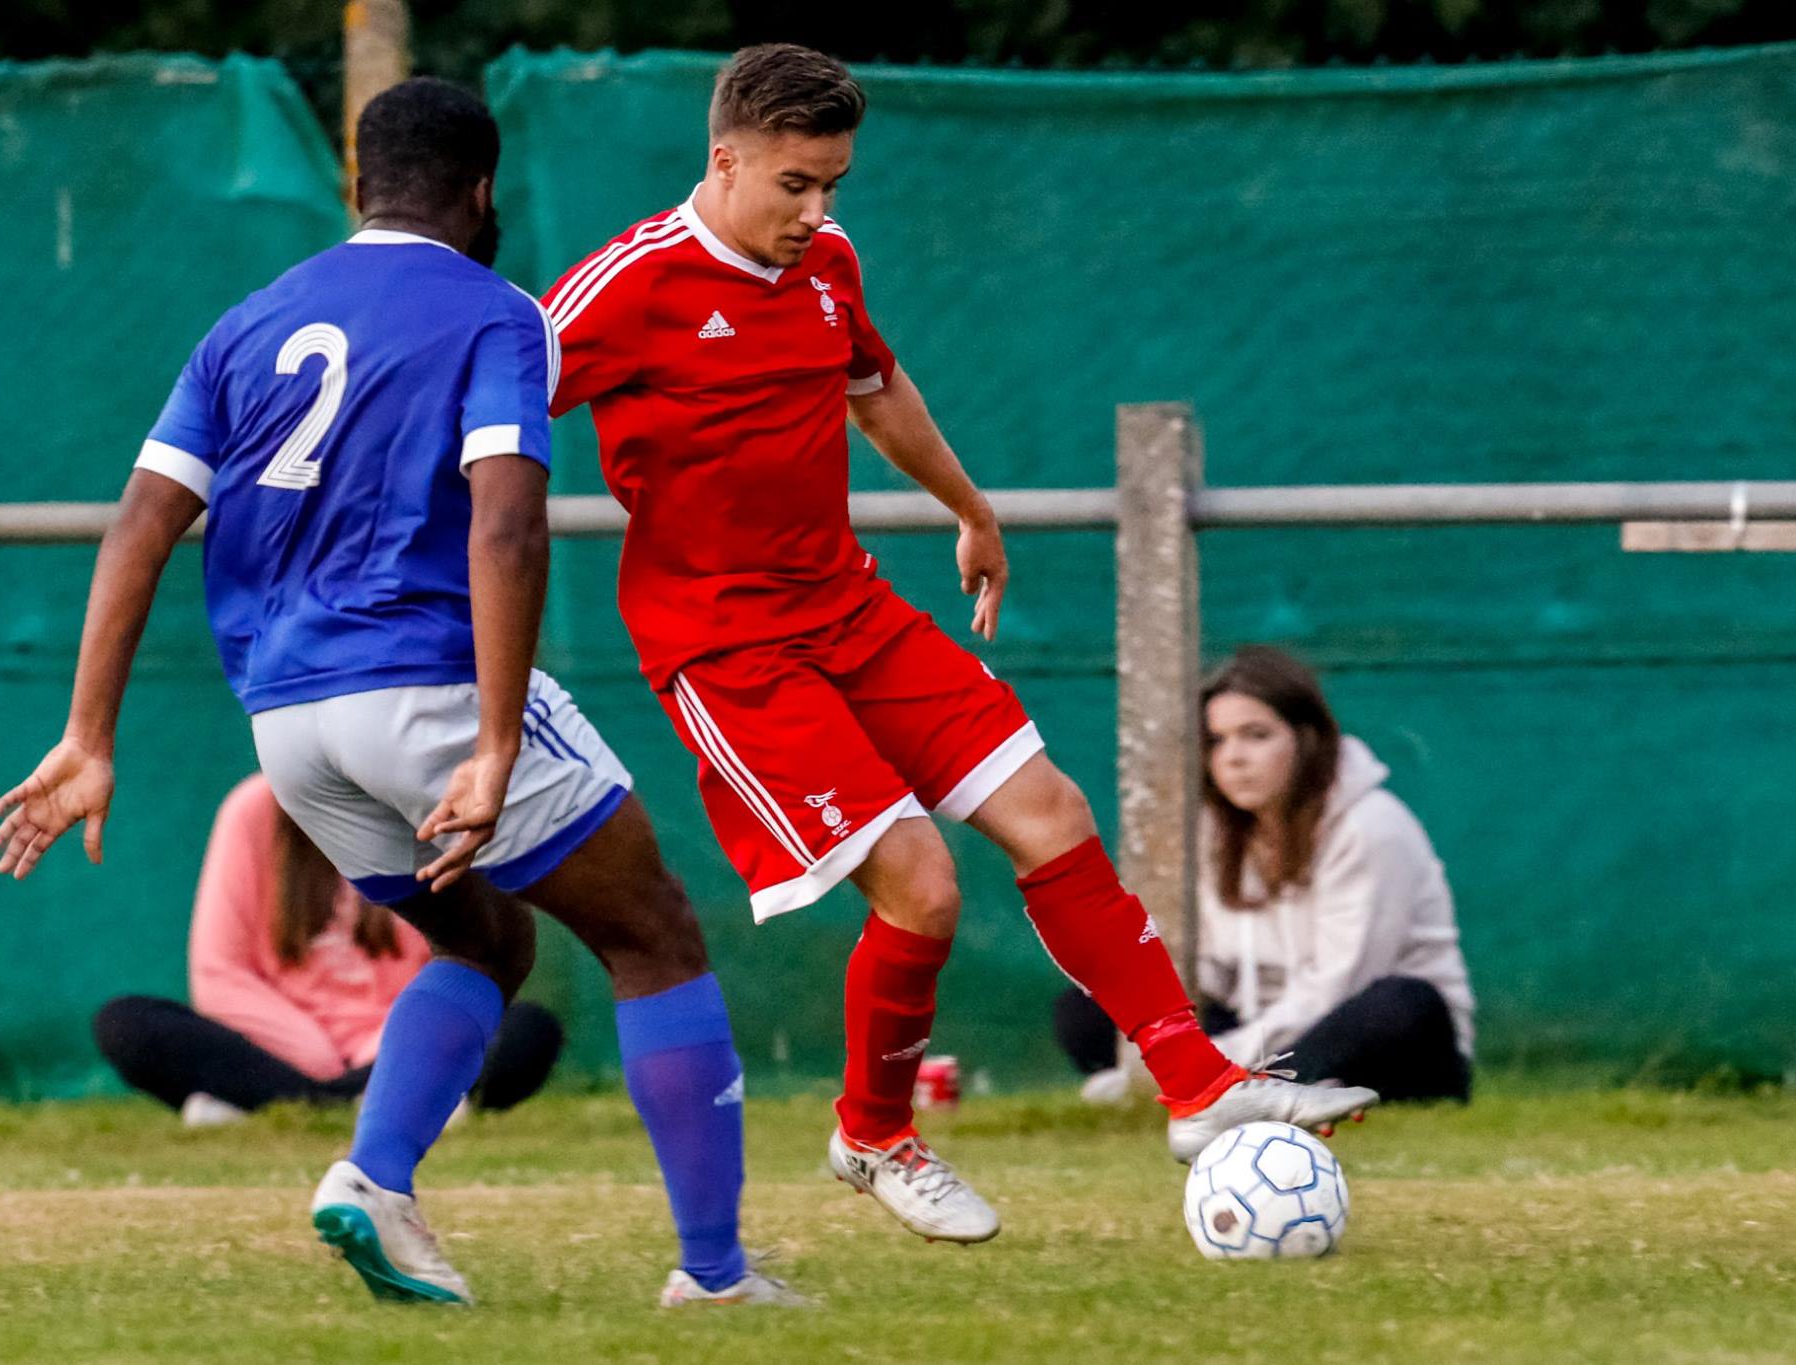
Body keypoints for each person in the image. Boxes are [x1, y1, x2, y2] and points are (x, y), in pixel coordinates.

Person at [542, 43, 1377, 1247]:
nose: (815, 211)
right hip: (726, 648)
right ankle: (874, 1134)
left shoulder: (825, 263)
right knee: (923, 886)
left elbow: (873, 385)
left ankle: (1197, 1084)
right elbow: (484, 403)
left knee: (1050, 814)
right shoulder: (623, 289)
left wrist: (969, 508)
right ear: (723, 160)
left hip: (847, 605)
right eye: (792, 184)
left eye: (832, 183)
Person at [0, 77, 796, 1309]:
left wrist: (89, 735)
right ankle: (717, 1275)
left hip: (290, 725)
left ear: (362, 185)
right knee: (654, 934)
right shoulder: (495, 313)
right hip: (420, 686)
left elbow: (142, 526)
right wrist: (488, 737)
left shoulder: (247, 323)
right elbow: (508, 529)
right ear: (480, 193)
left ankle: (374, 1177)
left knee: (486, 936)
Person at [1055, 646, 1476, 1103]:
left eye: (1255, 735)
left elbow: (1338, 987)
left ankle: (1236, 1092)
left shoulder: (1371, 828)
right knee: (1087, 1012)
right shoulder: (1214, 830)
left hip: (1378, 1042)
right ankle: (1236, 1090)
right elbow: (1209, 972)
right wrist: (1168, 1037)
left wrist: (1212, 1062)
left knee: (1401, 1006)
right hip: (1256, 1027)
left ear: (1306, 738)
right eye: (1217, 741)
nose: (1233, 757)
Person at [92, 773, 563, 1125]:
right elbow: (220, 974)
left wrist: (379, 1047)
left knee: (528, 1031)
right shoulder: (252, 808)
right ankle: (394, 1104)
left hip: (395, 1043)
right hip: (275, 1048)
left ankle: (266, 1105)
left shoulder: (431, 812)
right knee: (126, 1024)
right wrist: (316, 1056)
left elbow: (455, 966)